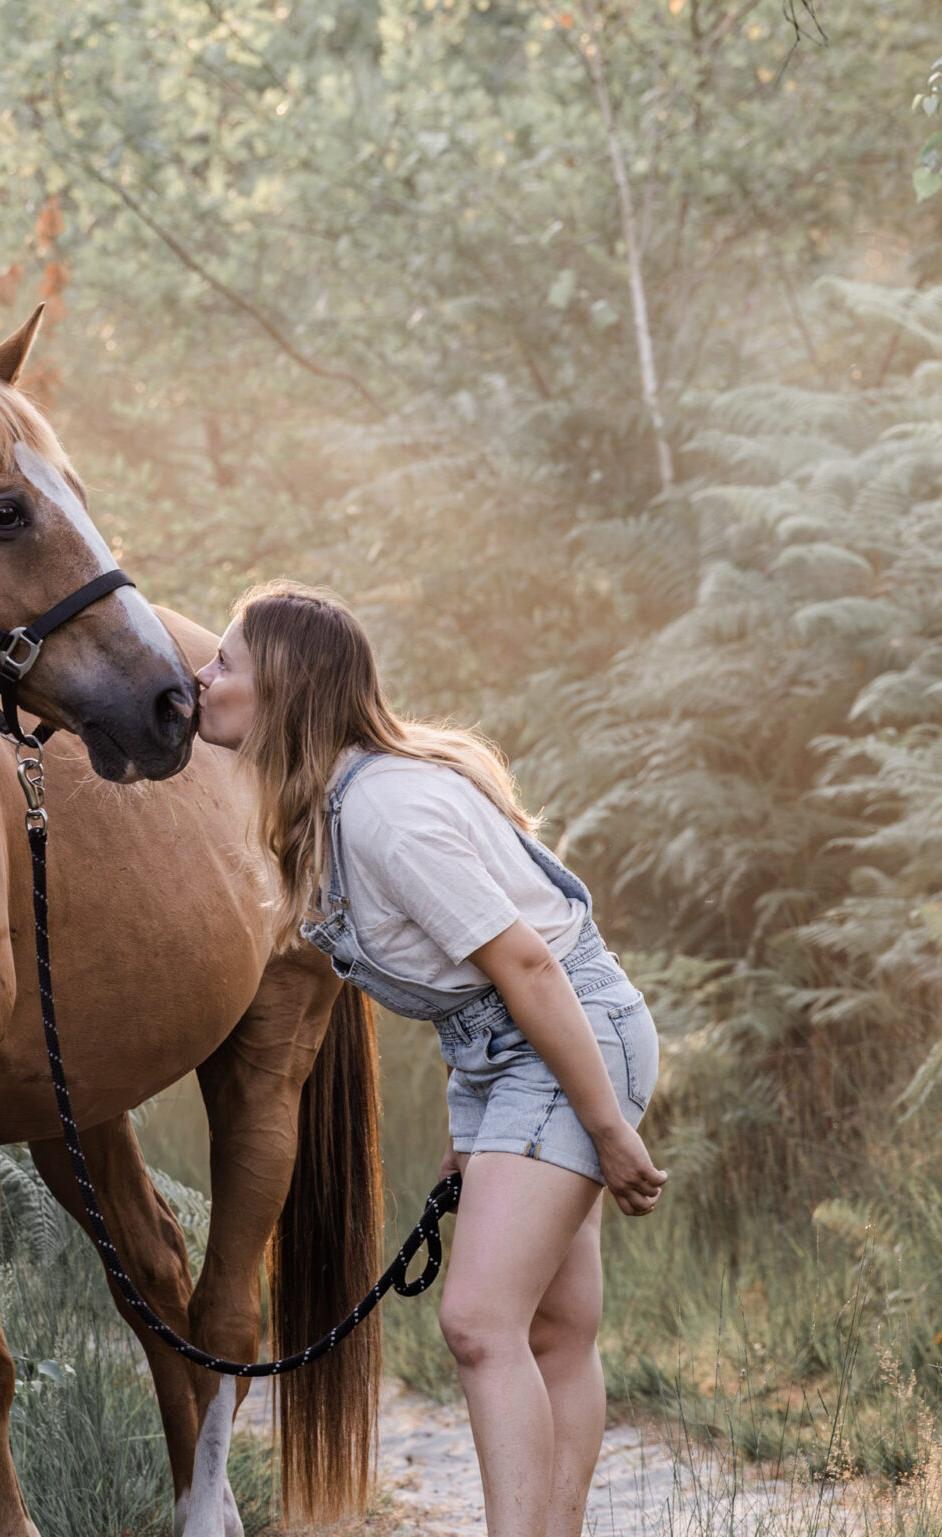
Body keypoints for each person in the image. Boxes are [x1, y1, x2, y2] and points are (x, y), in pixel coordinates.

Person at [192, 579, 667, 1537]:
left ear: (280, 693)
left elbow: (529, 966)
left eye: (223, 663)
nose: (202, 676)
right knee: (555, 1329)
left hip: (569, 1036)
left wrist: (608, 1128)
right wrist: (472, 1134)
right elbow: (472, 998)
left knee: (478, 1322)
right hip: (512, 1054)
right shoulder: (332, 809)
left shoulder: (385, 814)